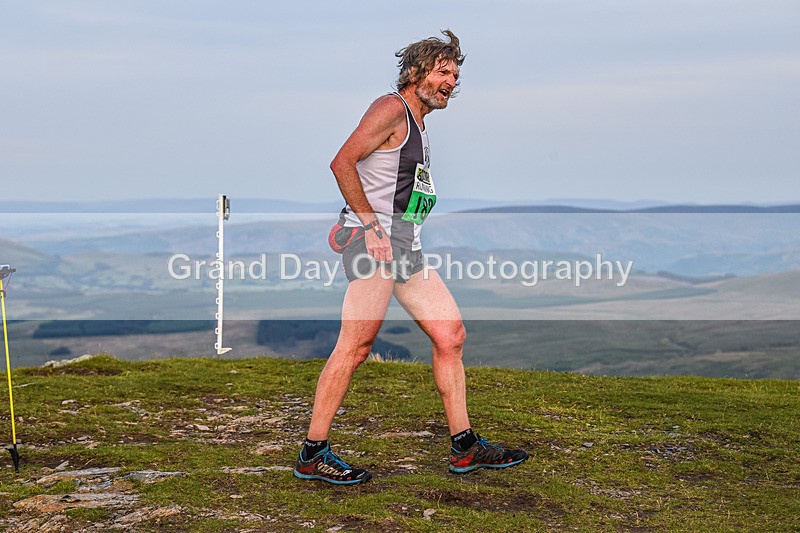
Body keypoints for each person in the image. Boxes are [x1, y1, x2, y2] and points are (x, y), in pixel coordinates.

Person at [293, 30, 528, 485]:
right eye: (443, 72)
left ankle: (465, 448)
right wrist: (368, 225)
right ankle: (312, 453)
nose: (451, 83)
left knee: (451, 335)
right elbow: (341, 162)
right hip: (374, 245)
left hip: (404, 247)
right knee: (356, 346)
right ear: (416, 71)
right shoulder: (390, 109)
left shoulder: (419, 122)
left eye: (455, 75)